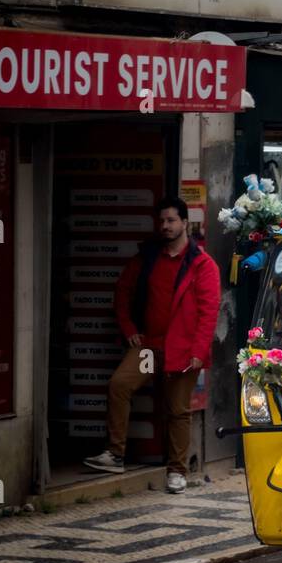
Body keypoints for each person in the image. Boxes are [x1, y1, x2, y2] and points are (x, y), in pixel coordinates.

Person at [84, 197, 221, 493]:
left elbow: (209, 311)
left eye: (171, 221)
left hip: (182, 350)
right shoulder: (148, 258)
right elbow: (122, 291)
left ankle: (177, 472)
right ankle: (115, 453)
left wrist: (198, 352)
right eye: (161, 221)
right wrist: (129, 328)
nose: (165, 226)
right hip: (150, 347)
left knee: (177, 410)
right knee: (120, 384)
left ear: (185, 223)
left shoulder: (202, 264)